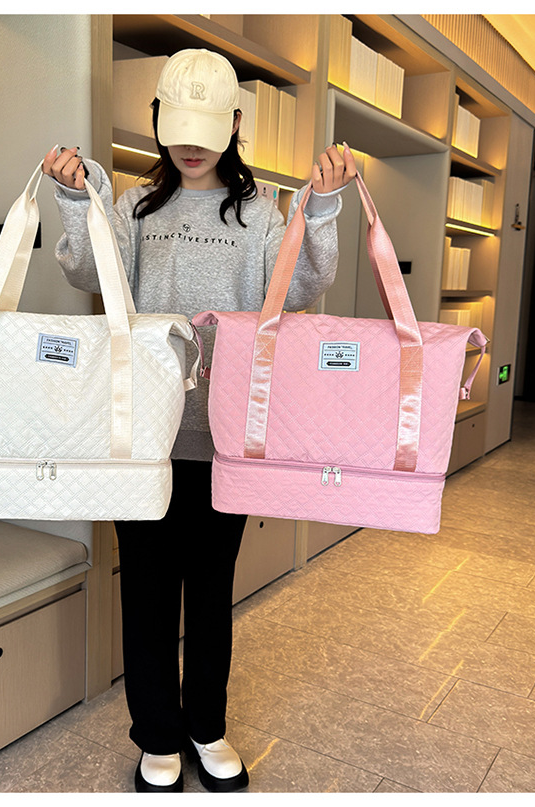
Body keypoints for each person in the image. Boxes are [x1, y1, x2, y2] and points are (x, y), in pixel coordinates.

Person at [43, 48, 356, 794]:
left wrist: (319, 209)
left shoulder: (259, 215)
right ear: (156, 119)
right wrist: (76, 199)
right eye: (177, 128)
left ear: (236, 124)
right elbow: (88, 270)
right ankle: (157, 735)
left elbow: (302, 286)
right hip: (142, 436)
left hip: (225, 439)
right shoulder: (134, 208)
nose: (190, 146)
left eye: (207, 130)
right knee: (147, 593)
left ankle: (206, 726)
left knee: (211, 594)